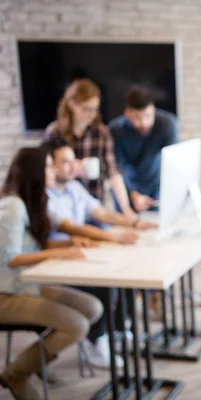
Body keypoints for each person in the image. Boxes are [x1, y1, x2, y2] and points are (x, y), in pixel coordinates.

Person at [42, 136, 156, 369]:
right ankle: (97, 341)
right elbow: (72, 227)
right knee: (103, 285)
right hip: (55, 265)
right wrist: (113, 236)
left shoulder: (74, 188)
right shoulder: (44, 196)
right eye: (65, 162)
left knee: (126, 273)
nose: (73, 166)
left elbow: (101, 214)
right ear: (50, 165)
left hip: (78, 257)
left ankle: (117, 330)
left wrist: (131, 222)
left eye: (73, 160)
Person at [0, 148, 103, 400]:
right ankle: (16, 374)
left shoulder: (31, 201)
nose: (52, 171)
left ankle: (31, 364)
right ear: (34, 173)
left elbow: (35, 246)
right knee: (76, 326)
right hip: (6, 293)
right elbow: (10, 258)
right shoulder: (12, 205)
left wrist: (69, 243)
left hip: (25, 287)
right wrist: (58, 254)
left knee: (92, 307)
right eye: (47, 167)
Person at [45, 78, 137, 222]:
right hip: (64, 208)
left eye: (95, 109)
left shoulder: (101, 133)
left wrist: (126, 209)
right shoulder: (54, 132)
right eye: (86, 109)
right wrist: (70, 170)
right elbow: (46, 172)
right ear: (72, 105)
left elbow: (113, 171)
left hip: (95, 206)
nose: (92, 115)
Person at [108, 85, 178, 212]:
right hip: (126, 190)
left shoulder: (167, 124)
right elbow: (118, 168)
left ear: (153, 109)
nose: (144, 123)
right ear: (127, 113)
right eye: (138, 118)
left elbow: (173, 163)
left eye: (148, 116)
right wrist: (133, 195)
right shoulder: (115, 130)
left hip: (157, 188)